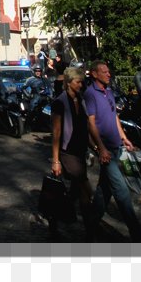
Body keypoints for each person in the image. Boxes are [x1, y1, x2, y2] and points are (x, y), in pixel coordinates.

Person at [84, 60, 141, 242]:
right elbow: (91, 122)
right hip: (107, 152)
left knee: (104, 191)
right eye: (104, 72)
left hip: (116, 146)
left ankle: (90, 228)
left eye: (108, 71)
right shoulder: (90, 94)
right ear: (94, 74)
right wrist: (100, 148)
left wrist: (124, 138)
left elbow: (114, 116)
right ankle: (138, 236)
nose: (108, 74)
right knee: (122, 193)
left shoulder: (109, 92)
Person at [50, 65, 92, 237]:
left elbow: (86, 125)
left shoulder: (80, 99)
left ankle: (55, 218)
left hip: (80, 149)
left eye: (82, 82)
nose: (81, 85)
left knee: (73, 192)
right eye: (78, 82)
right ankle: (91, 229)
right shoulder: (60, 102)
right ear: (68, 83)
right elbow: (56, 133)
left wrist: (94, 146)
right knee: (84, 188)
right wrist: (55, 160)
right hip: (67, 152)